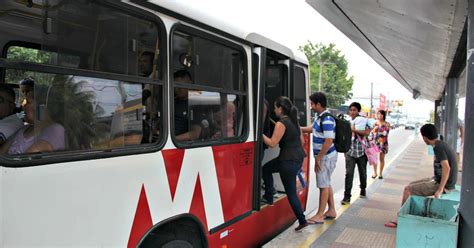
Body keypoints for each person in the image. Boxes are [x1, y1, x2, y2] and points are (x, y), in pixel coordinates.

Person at [384, 124, 458, 228]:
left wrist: (440, 189)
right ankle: (410, 213)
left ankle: (399, 220)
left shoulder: (438, 147)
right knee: (411, 185)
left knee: (408, 190)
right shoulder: (441, 144)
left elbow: (447, 168)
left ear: (424, 138)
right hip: (440, 180)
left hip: (444, 185)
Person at [262, 96, 308, 231]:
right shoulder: (294, 121)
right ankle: (269, 196)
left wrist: (259, 132)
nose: (274, 110)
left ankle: (302, 220)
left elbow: (272, 143)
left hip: (287, 161)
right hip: (297, 159)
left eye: (275, 108)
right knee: (266, 168)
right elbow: (302, 142)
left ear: (280, 109)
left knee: (291, 193)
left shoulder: (282, 123)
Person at [0, 78, 65, 154]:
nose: (23, 106)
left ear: (41, 106)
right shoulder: (23, 129)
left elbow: (27, 160)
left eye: (27, 102)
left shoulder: (56, 130)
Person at [301, 92, 337, 224]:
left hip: (326, 157)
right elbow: (314, 130)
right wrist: (299, 129)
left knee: (323, 185)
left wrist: (318, 158)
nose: (311, 106)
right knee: (326, 183)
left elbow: (328, 141)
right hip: (324, 157)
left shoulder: (327, 119)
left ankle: (320, 215)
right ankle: (331, 210)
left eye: (312, 104)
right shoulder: (320, 117)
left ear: (318, 104)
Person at [341, 102, 371, 205]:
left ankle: (363, 189)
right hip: (350, 152)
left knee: (362, 173)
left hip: (362, 151)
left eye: (354, 110)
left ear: (358, 111)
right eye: (351, 110)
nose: (352, 112)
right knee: (349, 174)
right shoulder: (347, 122)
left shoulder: (363, 121)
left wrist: (355, 130)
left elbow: (367, 133)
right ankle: (347, 196)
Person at [173, 69, 202, 141]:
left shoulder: (195, 103)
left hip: (180, 145)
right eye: (175, 86)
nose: (177, 89)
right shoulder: (172, 101)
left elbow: (195, 134)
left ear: (190, 83)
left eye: (180, 86)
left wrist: (172, 139)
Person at [371, 110, 390, 179]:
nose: (379, 115)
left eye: (381, 114)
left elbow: (386, 133)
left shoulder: (387, 124)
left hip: (383, 143)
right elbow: (372, 133)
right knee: (374, 159)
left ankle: (380, 173)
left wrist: (377, 131)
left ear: (383, 115)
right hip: (375, 142)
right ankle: (375, 173)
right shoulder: (375, 123)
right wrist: (375, 131)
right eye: (378, 114)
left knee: (381, 159)